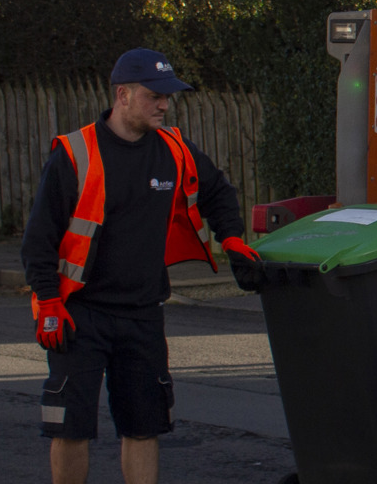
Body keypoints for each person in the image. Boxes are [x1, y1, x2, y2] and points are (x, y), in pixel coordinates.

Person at [19, 48, 260, 484]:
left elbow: (218, 191)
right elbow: (39, 239)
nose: (165, 105)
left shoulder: (175, 150)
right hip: (80, 314)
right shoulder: (75, 154)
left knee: (144, 427)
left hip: (144, 313)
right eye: (155, 96)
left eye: (168, 97)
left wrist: (234, 240)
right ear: (123, 95)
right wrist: (49, 302)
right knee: (72, 429)